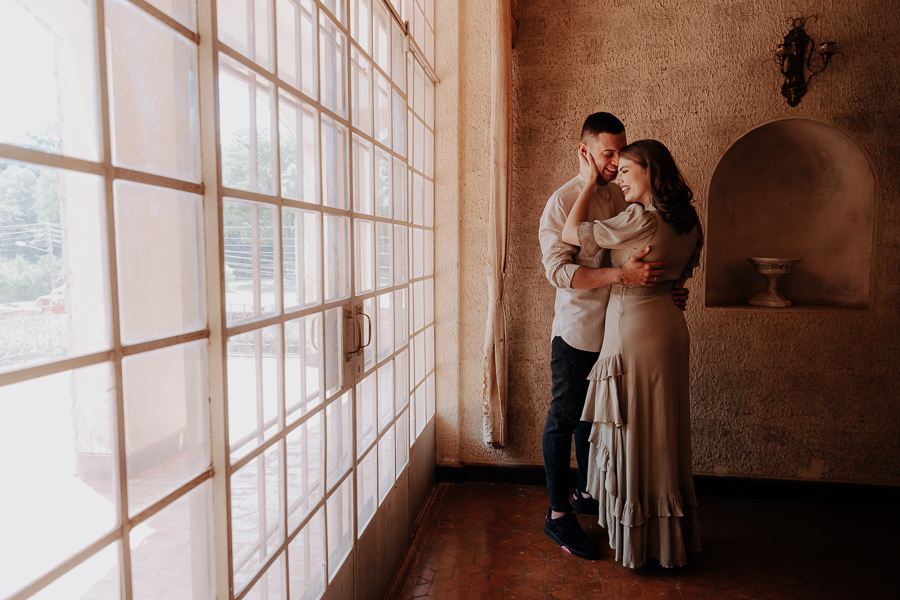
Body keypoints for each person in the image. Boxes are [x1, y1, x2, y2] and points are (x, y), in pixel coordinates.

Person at [538, 113, 688, 560]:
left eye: (621, 154)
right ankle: (558, 517)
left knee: (596, 423)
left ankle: (587, 495)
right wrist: (621, 274)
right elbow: (559, 271)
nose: (615, 162)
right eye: (608, 154)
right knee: (565, 420)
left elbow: (655, 245)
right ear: (584, 152)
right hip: (579, 334)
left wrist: (668, 286)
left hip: (621, 336)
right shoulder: (563, 202)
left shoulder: (626, 194)